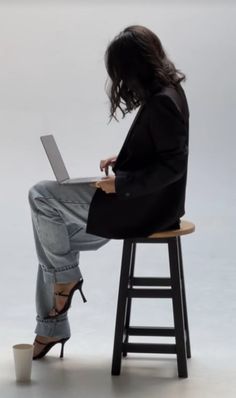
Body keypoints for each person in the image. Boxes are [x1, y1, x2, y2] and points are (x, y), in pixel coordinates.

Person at [29, 25, 189, 360]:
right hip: (139, 203)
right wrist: (123, 161)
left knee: (41, 195)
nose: (121, 82)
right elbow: (161, 153)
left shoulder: (163, 102)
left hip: (138, 208)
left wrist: (122, 183)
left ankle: (64, 288)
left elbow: (173, 167)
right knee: (52, 242)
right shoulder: (168, 92)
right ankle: (52, 325)